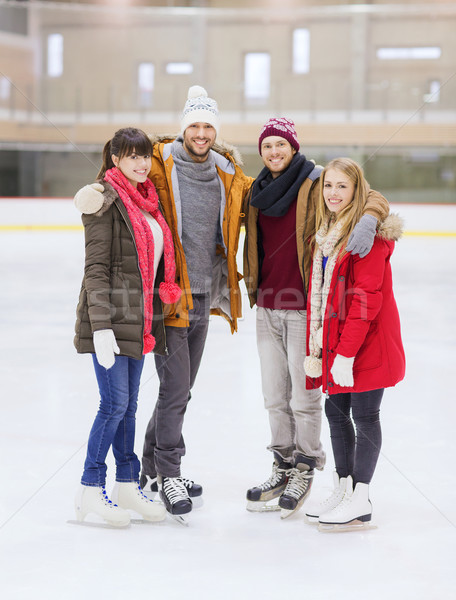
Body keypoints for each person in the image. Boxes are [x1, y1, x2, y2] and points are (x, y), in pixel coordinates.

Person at [74, 86, 253, 519]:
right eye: (194, 124)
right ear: (182, 127)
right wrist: (91, 193)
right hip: (164, 301)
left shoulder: (226, 172)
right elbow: (114, 182)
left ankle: (148, 471)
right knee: (165, 393)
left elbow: (269, 195)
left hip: (199, 297)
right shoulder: (156, 166)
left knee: (178, 391)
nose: (201, 132)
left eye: (208, 125)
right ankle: (163, 472)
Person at [243, 119, 390, 518]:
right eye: (267, 145)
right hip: (267, 305)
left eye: (282, 144)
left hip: (305, 306)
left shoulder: (316, 180)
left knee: (304, 398)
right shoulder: (253, 189)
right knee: (274, 396)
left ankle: (306, 467)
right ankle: (283, 464)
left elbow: (367, 193)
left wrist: (369, 218)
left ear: (294, 147)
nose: (274, 152)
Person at [73, 127, 181, 527]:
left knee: (130, 406)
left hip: (139, 318)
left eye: (145, 156)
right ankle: (89, 489)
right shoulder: (103, 200)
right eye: (131, 156)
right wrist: (101, 327)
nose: (141, 163)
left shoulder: (148, 203)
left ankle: (125, 485)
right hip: (111, 320)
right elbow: (96, 269)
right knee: (114, 404)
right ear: (115, 159)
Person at [303, 157, 405, 530]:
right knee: (335, 413)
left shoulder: (368, 236)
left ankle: (361, 497)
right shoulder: (329, 230)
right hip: (337, 341)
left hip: (366, 344)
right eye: (328, 186)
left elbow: (366, 299)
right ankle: (343, 487)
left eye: (342, 186)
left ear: (357, 190)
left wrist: (345, 353)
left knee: (364, 416)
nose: (333, 193)